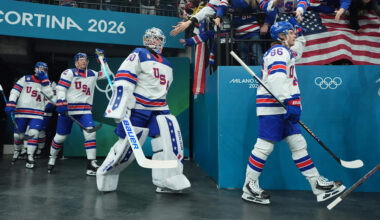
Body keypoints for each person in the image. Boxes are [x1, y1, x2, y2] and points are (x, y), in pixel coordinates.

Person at [241, 19, 346, 204]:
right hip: (274, 107)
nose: (294, 35)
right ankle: (249, 186)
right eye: (290, 32)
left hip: (282, 106)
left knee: (298, 144)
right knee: (265, 146)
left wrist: (300, 32)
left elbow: (298, 49)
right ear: (281, 36)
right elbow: (277, 78)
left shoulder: (285, 50)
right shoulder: (279, 51)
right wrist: (289, 101)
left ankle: (316, 184)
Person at [97, 27, 191, 193]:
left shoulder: (167, 64)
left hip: (160, 108)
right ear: (145, 39)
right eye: (151, 38)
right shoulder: (139, 53)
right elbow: (124, 77)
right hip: (139, 107)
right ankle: (106, 173)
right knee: (128, 146)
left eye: (158, 38)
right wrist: (120, 105)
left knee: (169, 140)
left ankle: (167, 179)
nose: (155, 41)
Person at [48, 50, 111, 175]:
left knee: (90, 134)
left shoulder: (92, 73)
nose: (83, 61)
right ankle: (52, 158)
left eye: (85, 59)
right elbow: (61, 88)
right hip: (68, 110)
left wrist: (103, 61)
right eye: (80, 59)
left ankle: (91, 164)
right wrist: (61, 102)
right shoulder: (69, 72)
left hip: (84, 110)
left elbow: (106, 74)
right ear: (76, 62)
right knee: (61, 137)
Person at [5, 62, 53, 168]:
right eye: (39, 68)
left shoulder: (46, 82)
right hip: (22, 111)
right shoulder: (25, 79)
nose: (41, 71)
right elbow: (15, 91)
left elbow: (49, 96)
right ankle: (17, 150)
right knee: (18, 135)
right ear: (35, 69)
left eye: (44, 69)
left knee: (34, 133)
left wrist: (45, 82)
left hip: (37, 112)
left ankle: (30, 156)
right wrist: (11, 102)